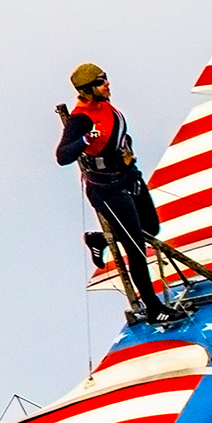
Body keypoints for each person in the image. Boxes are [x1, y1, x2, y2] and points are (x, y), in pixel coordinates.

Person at [55, 64, 179, 325]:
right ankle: (154, 308)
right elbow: (62, 155)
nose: (107, 84)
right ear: (87, 91)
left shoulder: (105, 106)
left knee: (150, 228)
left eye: (106, 78)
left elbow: (119, 134)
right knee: (136, 249)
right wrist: (86, 140)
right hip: (108, 189)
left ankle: (100, 239)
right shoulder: (81, 118)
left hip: (129, 176)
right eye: (101, 82)